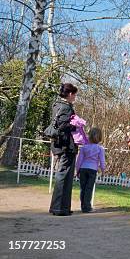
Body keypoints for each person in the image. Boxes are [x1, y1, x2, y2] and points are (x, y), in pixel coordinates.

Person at [49, 83, 79, 216]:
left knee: (65, 176)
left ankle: (63, 207)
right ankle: (59, 208)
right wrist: (75, 125)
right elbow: (63, 126)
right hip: (66, 145)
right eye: (75, 95)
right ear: (70, 94)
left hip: (59, 144)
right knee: (64, 176)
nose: (75, 97)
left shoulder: (56, 105)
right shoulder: (66, 108)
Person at [76, 127, 106, 213]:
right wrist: (103, 170)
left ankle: (83, 206)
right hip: (92, 170)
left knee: (83, 188)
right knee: (89, 188)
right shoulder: (100, 149)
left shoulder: (84, 148)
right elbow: (102, 161)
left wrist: (77, 170)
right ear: (100, 137)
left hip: (83, 169)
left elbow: (79, 160)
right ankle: (87, 207)